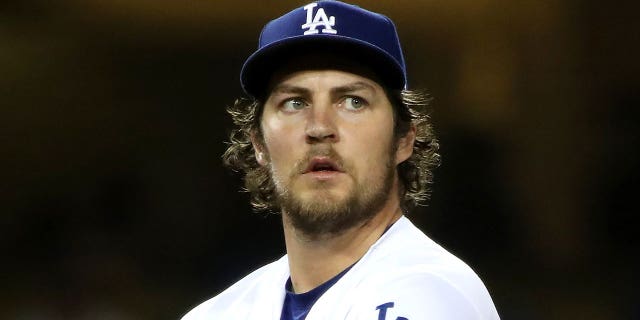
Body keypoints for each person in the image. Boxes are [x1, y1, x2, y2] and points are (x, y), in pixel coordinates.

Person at [182, 1, 500, 319]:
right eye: (294, 102)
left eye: (353, 101)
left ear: (403, 139)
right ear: (259, 144)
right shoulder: (217, 313)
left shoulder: (432, 293)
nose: (320, 127)